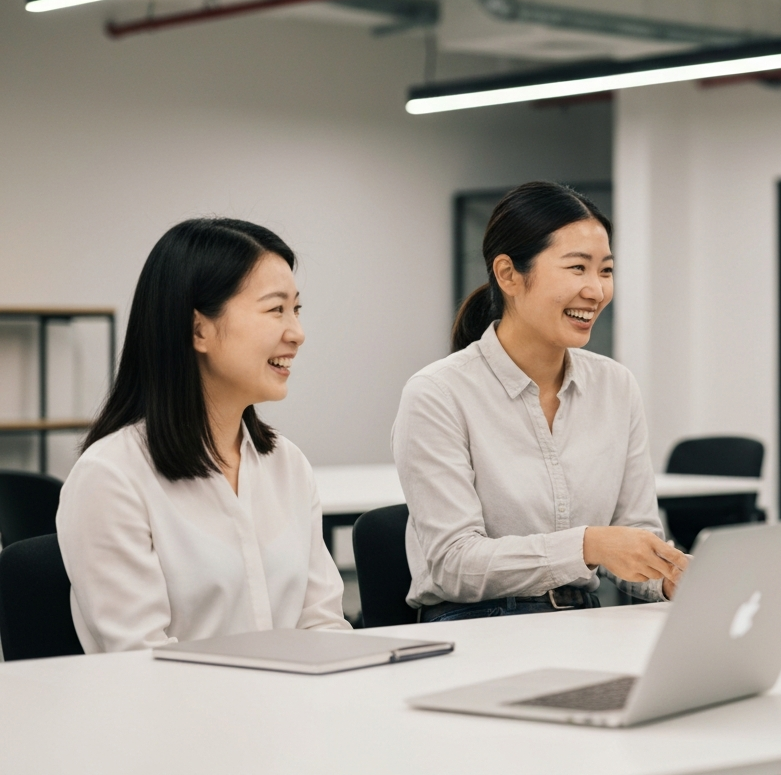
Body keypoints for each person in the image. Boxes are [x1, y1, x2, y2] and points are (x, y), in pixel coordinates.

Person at [393, 181, 687, 622]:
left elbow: (634, 535)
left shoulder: (615, 386)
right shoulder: (438, 393)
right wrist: (587, 545)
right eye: (577, 268)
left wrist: (668, 575)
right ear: (509, 274)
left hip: (582, 620)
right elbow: (453, 564)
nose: (596, 290)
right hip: (476, 626)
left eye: (605, 270)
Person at [58, 218, 349, 653]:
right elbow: (140, 661)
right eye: (275, 309)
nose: (297, 333)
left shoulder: (287, 465)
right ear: (198, 330)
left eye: (297, 309)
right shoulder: (111, 477)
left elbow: (322, 626)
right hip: (177, 718)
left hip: (292, 713)